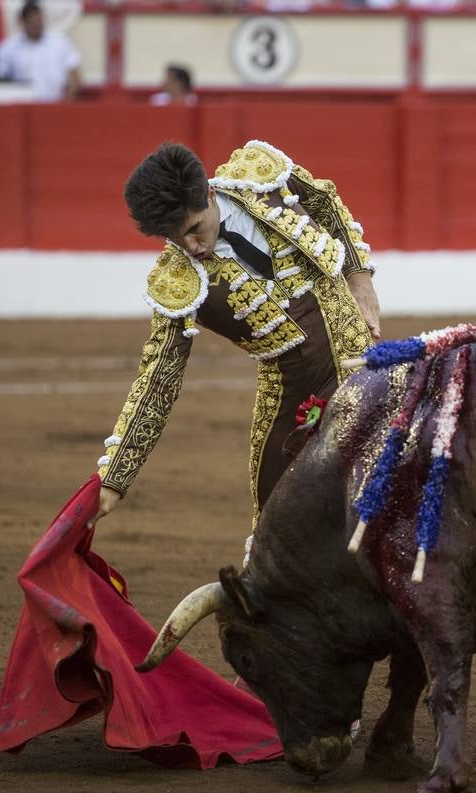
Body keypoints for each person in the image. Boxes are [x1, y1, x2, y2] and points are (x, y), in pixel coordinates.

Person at [88, 141, 381, 556]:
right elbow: (158, 380)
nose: (190, 247)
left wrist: (359, 276)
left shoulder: (261, 175)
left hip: (362, 366)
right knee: (275, 534)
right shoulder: (180, 284)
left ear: (208, 193)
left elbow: (325, 203)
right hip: (291, 397)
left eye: (192, 229)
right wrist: (115, 478)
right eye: (174, 238)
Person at [0, 1, 80, 102]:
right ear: (23, 22)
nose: (37, 26)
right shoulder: (9, 48)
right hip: (23, 109)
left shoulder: (60, 43)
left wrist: (65, 104)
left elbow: (75, 76)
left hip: (56, 105)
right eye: (33, 24)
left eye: (40, 23)